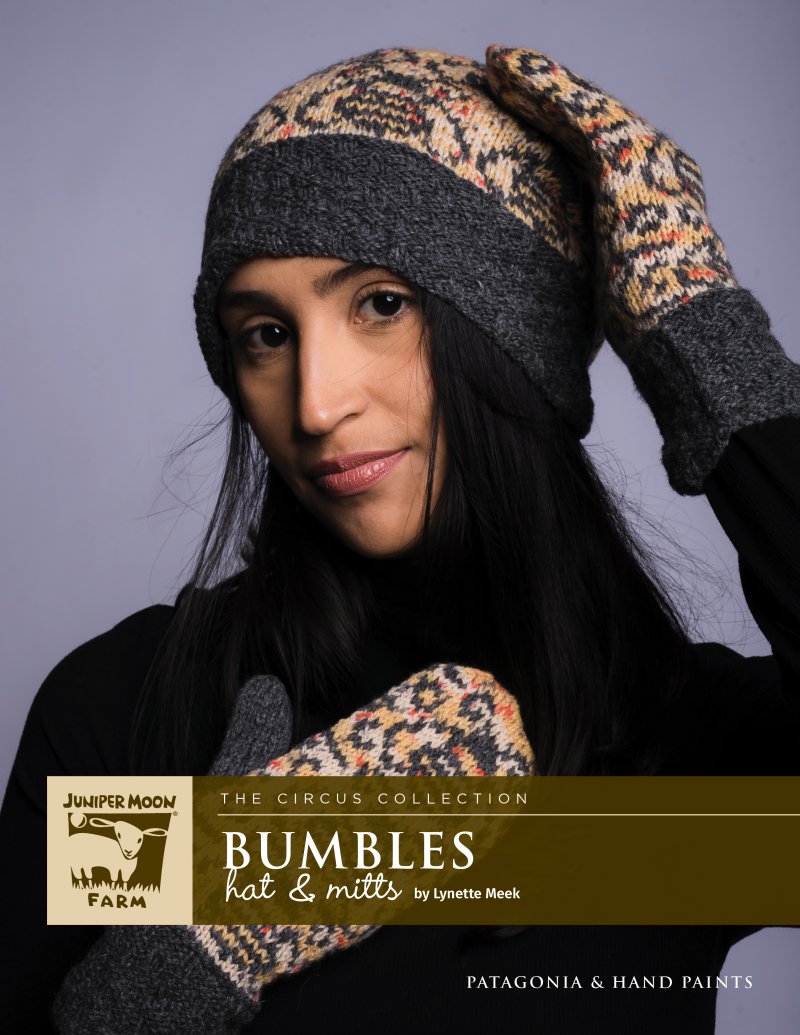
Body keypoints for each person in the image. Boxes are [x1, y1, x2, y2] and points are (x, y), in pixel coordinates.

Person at [1, 44, 799, 1034]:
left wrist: (705, 339)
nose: (316, 405)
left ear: (512, 340)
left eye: (381, 304)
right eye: (266, 334)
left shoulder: (684, 753)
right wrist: (192, 944)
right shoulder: (131, 708)